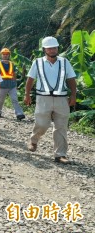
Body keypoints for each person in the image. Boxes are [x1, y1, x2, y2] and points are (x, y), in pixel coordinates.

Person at [24, 36, 77, 165]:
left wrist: (74, 95)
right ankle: (34, 140)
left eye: (54, 47)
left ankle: (60, 155)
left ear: (57, 48)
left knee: (61, 127)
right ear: (44, 50)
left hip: (61, 99)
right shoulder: (37, 62)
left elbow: (71, 80)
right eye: (50, 48)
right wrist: (27, 94)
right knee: (42, 124)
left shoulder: (65, 62)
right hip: (43, 98)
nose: (52, 50)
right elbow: (30, 79)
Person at [0, 48, 26, 121]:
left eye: (7, 54)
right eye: (4, 54)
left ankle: (19, 114)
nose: (5, 56)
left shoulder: (12, 64)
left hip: (12, 85)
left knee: (15, 100)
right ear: (1, 55)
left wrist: (15, 84)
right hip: (2, 86)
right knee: (0, 101)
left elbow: (14, 74)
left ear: (9, 55)